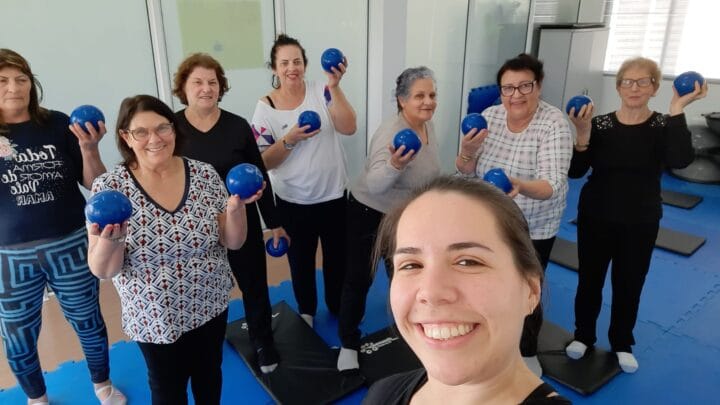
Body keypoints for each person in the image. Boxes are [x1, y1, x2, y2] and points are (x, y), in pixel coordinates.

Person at [86, 95, 261, 404]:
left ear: (174, 129)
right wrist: (112, 239)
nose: (155, 139)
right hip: (154, 315)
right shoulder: (109, 188)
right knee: (167, 389)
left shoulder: (205, 174)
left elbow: (233, 241)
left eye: (162, 128)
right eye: (141, 132)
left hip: (209, 302)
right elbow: (103, 270)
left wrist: (236, 209)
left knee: (210, 376)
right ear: (126, 137)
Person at [363, 176, 570, 404]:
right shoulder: (383, 393)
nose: (431, 293)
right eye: (411, 265)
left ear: (531, 291)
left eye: (468, 262)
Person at [564, 57, 707, 373]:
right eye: (628, 81)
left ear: (655, 88)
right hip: (596, 216)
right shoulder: (600, 124)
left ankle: (621, 343)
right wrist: (582, 134)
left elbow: (681, 160)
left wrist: (677, 108)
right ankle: (583, 336)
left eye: (644, 81)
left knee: (629, 284)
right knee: (589, 281)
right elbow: (576, 171)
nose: (635, 88)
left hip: (640, 220)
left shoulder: (662, 125)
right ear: (618, 87)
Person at [0, 48, 125, 405]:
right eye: (3, 80)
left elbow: (96, 184)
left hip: (70, 243)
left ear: (32, 84)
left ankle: (102, 384)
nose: (14, 87)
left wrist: (89, 147)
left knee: (88, 321)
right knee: (17, 336)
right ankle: (36, 398)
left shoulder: (57, 124)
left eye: (21, 79)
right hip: (9, 255)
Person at [455, 53, 572, 375]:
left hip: (533, 224)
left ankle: (527, 350)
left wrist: (518, 185)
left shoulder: (554, 124)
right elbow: (465, 171)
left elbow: (551, 185)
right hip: (490, 221)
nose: (516, 95)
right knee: (485, 283)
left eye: (524, 86)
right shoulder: (489, 117)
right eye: (508, 88)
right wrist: (467, 151)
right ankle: (487, 340)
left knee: (526, 289)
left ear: (539, 86)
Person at [172, 52, 288, 374]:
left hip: (241, 222)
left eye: (212, 82)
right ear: (183, 87)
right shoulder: (172, 129)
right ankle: (199, 345)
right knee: (200, 291)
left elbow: (259, 175)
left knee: (254, 285)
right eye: (197, 82)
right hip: (196, 228)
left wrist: (274, 223)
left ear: (220, 87)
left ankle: (263, 341)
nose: (206, 88)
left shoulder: (237, 126)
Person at [337, 66, 441, 372]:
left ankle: (412, 333)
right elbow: (375, 184)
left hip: (403, 216)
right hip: (368, 212)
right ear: (401, 100)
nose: (428, 102)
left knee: (405, 276)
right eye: (419, 96)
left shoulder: (427, 126)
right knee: (359, 279)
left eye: (432, 95)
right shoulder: (391, 133)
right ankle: (348, 344)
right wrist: (395, 164)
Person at [251, 34, 357, 328]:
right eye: (284, 63)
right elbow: (263, 162)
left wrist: (335, 86)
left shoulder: (322, 90)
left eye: (297, 61)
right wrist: (290, 139)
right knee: (301, 262)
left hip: (334, 196)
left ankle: (336, 305)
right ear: (274, 68)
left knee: (337, 260)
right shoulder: (265, 108)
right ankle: (307, 310)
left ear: (305, 64)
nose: (291, 68)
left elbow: (349, 127)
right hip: (293, 201)